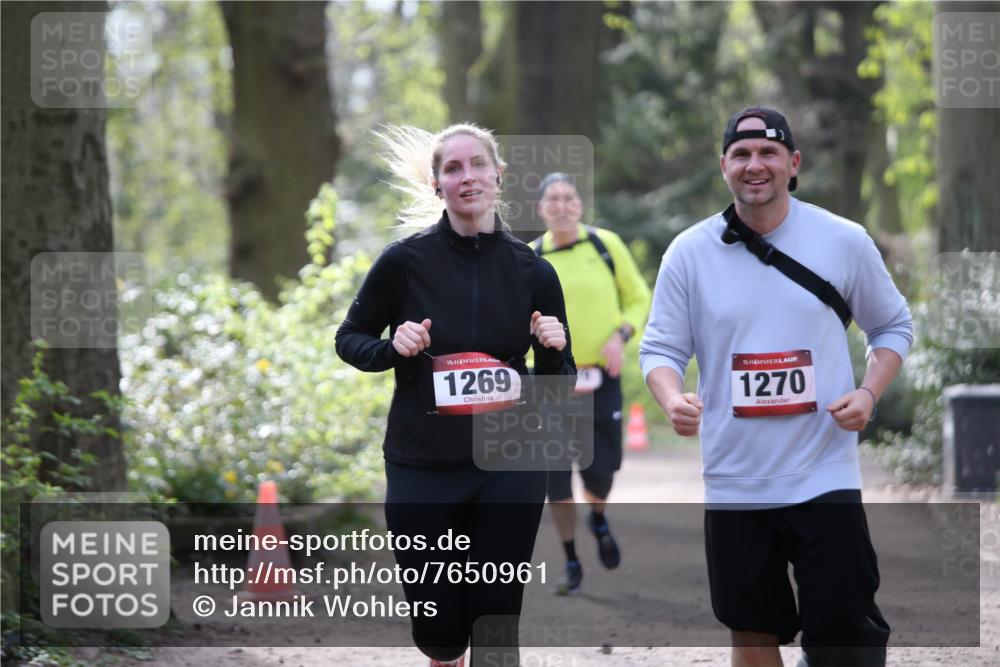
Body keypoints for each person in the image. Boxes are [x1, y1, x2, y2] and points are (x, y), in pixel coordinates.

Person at [640, 106, 912, 667]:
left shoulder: (843, 240)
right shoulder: (689, 253)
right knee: (753, 630)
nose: (754, 165)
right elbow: (662, 349)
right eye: (741, 154)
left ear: (794, 163)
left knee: (845, 637)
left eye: (768, 153)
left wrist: (868, 393)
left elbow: (892, 326)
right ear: (723, 166)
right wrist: (671, 398)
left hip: (824, 470)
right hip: (736, 478)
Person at [335, 123, 576, 667]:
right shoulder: (403, 262)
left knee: (495, 623)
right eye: (452, 168)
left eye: (477, 165)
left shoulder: (535, 271)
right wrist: (393, 348)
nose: (467, 177)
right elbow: (348, 339)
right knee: (439, 635)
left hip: (509, 462)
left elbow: (559, 384)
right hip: (423, 463)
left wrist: (555, 351)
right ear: (437, 185)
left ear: (498, 176)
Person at [531, 173, 651, 595]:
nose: (561, 205)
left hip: (602, 379)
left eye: (569, 198)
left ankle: (597, 516)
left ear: (580, 206)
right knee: (555, 479)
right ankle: (571, 560)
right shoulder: (531, 258)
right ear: (541, 209)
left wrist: (620, 336)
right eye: (552, 199)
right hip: (549, 384)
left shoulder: (605, 245)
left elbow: (638, 298)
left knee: (600, 471)